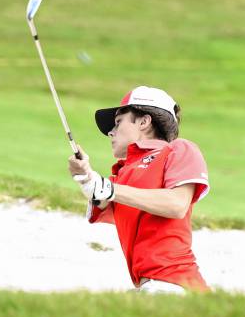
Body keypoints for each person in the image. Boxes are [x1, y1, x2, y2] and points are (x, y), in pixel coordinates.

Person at [68, 86, 211, 294]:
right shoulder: (122, 173)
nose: (111, 132)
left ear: (144, 122)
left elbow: (177, 204)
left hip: (175, 282)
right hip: (150, 285)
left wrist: (107, 188)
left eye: (118, 123)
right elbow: (103, 196)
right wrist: (86, 177)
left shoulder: (178, 149)